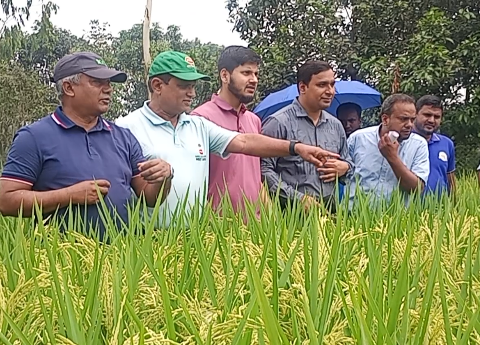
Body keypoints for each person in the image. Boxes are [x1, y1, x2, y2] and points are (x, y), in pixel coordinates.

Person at [116, 51, 338, 228]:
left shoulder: (196, 125)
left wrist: (296, 147)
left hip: (196, 237)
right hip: (151, 236)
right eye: (184, 86)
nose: (192, 93)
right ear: (157, 86)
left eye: (193, 86)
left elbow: (244, 142)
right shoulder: (126, 128)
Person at [0, 51, 173, 239]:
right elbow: (7, 202)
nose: (108, 89)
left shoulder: (123, 137)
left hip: (122, 258)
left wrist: (164, 177)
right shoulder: (33, 137)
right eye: (97, 82)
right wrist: (69, 195)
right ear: (69, 88)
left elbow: (150, 198)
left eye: (109, 83)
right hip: (61, 261)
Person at [261, 60, 353, 213]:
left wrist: (345, 167)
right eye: (322, 85)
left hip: (330, 212)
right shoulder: (278, 123)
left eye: (332, 84)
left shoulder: (335, 125)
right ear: (303, 87)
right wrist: (297, 198)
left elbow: (348, 162)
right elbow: (263, 170)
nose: (330, 91)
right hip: (289, 213)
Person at [190, 46, 268, 216]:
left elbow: (256, 178)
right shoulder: (201, 119)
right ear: (225, 75)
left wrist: (270, 218)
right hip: (216, 230)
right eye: (246, 73)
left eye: (256, 74)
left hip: (255, 230)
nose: (254, 80)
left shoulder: (254, 120)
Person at [346, 94, 430, 208]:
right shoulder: (358, 139)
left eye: (412, 119)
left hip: (396, 220)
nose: (409, 124)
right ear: (385, 119)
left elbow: (417, 188)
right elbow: (343, 175)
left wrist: (392, 157)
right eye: (403, 119)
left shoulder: (419, 145)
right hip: (356, 216)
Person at [413, 95, 456, 196]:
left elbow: (450, 180)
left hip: (440, 208)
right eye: (427, 115)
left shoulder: (447, 144)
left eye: (436, 117)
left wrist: (455, 207)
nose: (431, 120)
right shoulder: (404, 141)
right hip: (408, 209)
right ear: (415, 114)